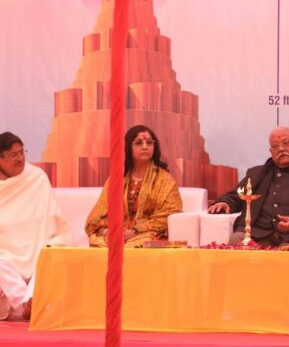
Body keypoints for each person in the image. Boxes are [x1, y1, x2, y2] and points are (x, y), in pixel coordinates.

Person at [208, 126, 289, 246]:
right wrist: (226, 203)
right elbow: (238, 194)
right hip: (257, 233)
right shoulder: (256, 173)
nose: (281, 149)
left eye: (286, 143)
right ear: (271, 151)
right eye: (275, 146)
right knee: (237, 240)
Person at [0, 132, 72, 321]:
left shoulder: (36, 177)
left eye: (21, 152)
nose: (20, 158)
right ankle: (25, 302)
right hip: (5, 251)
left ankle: (31, 301)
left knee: (50, 253)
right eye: (13, 155)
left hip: (38, 240)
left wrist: (42, 236)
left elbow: (52, 218)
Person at [85, 125, 182, 248]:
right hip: (118, 232)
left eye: (149, 143)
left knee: (140, 244)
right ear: (128, 148)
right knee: (98, 241)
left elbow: (170, 213)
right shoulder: (116, 178)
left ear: (154, 147)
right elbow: (99, 212)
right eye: (138, 143)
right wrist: (107, 231)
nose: (145, 147)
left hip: (148, 234)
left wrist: (135, 231)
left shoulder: (164, 179)